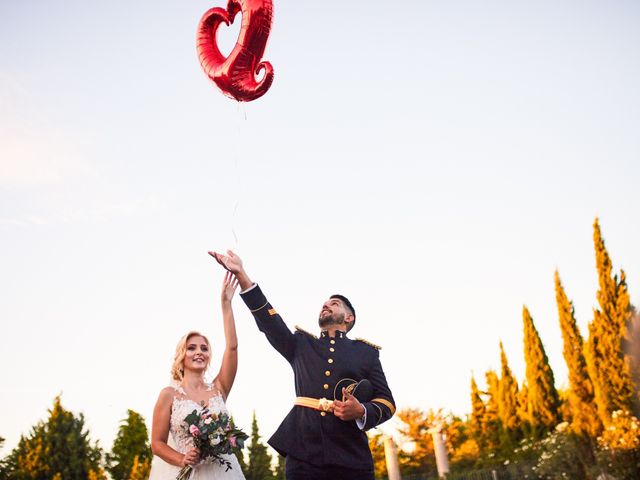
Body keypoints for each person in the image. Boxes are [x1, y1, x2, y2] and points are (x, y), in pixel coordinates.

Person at [210, 250, 395, 480]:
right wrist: (243, 275)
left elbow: (387, 402)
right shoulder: (300, 344)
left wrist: (362, 411)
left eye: (334, 304)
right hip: (304, 455)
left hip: (351, 457)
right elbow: (270, 321)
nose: (326, 306)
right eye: (324, 304)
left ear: (349, 318)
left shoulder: (366, 353)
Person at [148, 271, 245, 480]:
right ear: (182, 356)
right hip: (192, 473)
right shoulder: (168, 395)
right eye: (191, 348)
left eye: (204, 348)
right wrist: (181, 458)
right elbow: (157, 443)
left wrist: (226, 304)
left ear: (209, 356)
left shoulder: (219, 388)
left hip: (225, 473)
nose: (199, 351)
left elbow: (233, 347)